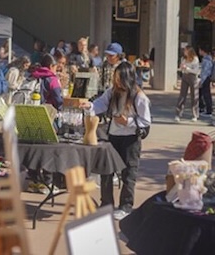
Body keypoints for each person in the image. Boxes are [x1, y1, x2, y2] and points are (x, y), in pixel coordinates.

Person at [79, 62, 151, 220]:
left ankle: (126, 206)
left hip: (131, 139)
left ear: (127, 78)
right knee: (106, 170)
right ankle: (106, 204)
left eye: (119, 78)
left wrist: (129, 122)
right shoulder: (112, 92)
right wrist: (89, 105)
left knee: (129, 173)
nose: (116, 81)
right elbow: (100, 104)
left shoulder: (139, 96)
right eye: (115, 78)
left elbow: (146, 122)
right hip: (112, 135)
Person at [27, 53, 63, 194]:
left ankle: (33, 181)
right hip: (47, 116)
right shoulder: (52, 79)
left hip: (30, 115)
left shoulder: (32, 75)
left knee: (35, 149)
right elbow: (58, 99)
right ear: (51, 66)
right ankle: (47, 183)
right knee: (49, 150)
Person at [175, 46, 200, 122]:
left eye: (185, 50)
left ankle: (195, 114)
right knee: (182, 95)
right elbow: (181, 67)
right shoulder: (183, 59)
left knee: (194, 96)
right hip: (185, 76)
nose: (184, 52)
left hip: (193, 77)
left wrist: (187, 68)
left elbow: (196, 71)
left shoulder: (195, 59)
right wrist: (182, 68)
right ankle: (178, 114)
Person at [198, 45, 213, 118]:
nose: (199, 51)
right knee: (204, 94)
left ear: (203, 51)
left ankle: (208, 110)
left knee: (205, 94)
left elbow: (205, 72)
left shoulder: (206, 60)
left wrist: (201, 81)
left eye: (200, 50)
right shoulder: (208, 59)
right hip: (206, 78)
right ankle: (204, 108)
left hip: (205, 79)